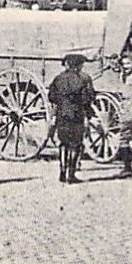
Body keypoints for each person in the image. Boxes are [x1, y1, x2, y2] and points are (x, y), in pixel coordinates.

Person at [48, 53, 95, 184]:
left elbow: (51, 96)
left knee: (63, 144)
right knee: (75, 145)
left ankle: (62, 172)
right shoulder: (85, 78)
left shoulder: (58, 78)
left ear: (67, 64)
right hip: (77, 115)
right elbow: (89, 97)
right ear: (80, 65)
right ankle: (71, 174)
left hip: (62, 115)